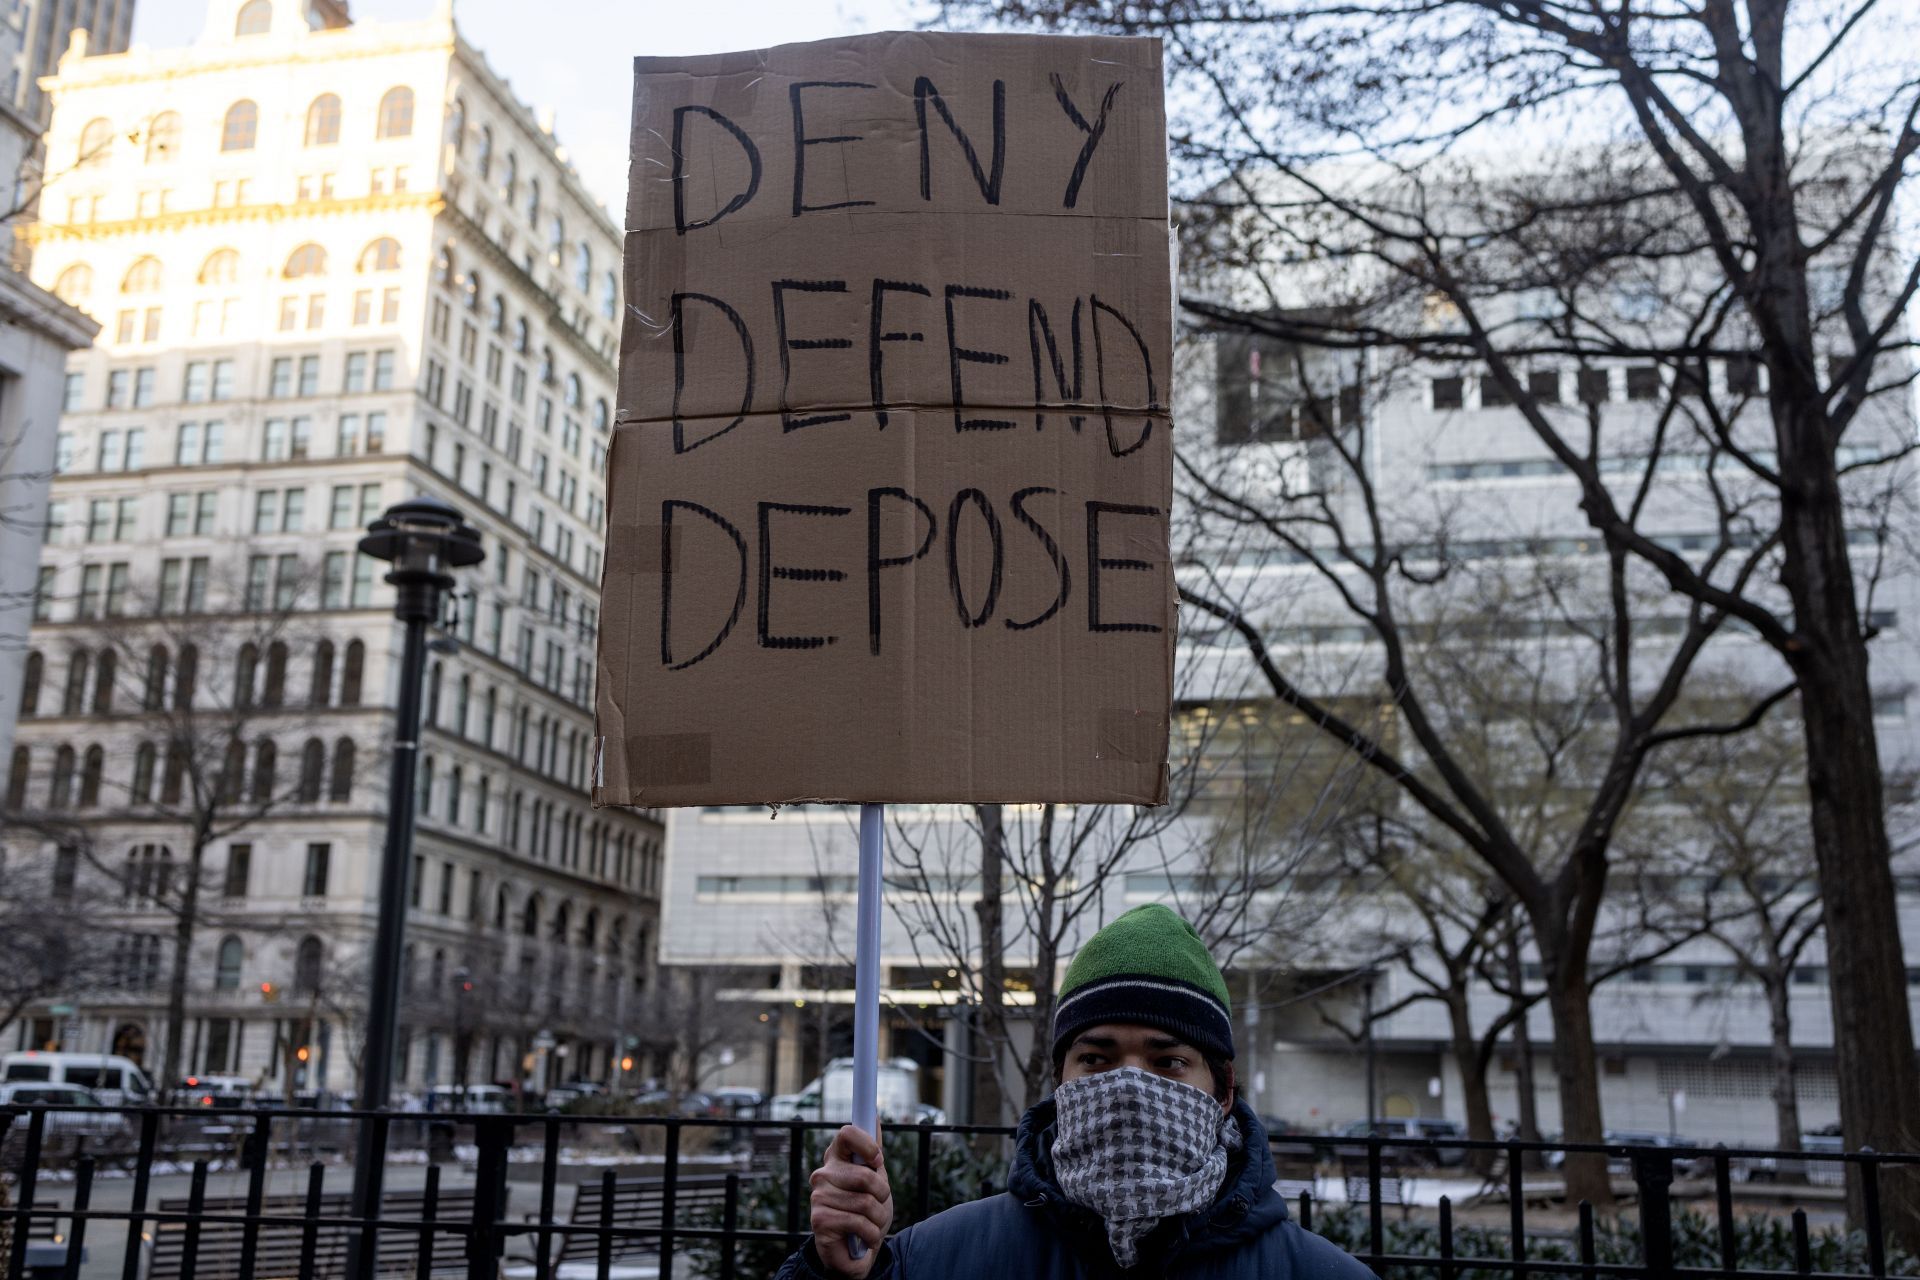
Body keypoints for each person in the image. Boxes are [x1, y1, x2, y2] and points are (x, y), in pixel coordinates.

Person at [776, 904, 1374, 1278]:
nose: (1129, 1086)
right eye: (1096, 1057)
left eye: (1168, 1061)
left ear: (1222, 1092)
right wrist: (830, 1274)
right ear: (1060, 1080)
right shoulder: (931, 1261)